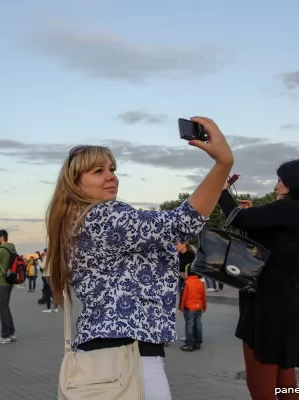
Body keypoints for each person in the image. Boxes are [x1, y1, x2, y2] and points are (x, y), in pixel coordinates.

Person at [46, 117, 233, 399]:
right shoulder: (102, 216)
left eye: (112, 168)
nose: (111, 176)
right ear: (76, 184)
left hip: (102, 357)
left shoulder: (77, 221)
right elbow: (181, 223)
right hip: (128, 358)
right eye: (98, 171)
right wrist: (223, 164)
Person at [220, 159, 299, 400]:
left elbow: (238, 218)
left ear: (290, 185)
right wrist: (253, 215)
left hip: (269, 307)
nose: (276, 185)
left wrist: (222, 191)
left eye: (279, 180)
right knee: (285, 387)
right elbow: (272, 241)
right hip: (289, 303)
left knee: (262, 390)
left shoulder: (291, 209)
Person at [179, 270, 206, 352]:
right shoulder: (200, 283)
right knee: (198, 325)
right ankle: (198, 342)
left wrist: (181, 308)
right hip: (198, 307)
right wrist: (204, 307)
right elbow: (203, 296)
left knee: (189, 325)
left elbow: (183, 297)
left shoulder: (187, 283)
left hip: (189, 308)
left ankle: (189, 344)